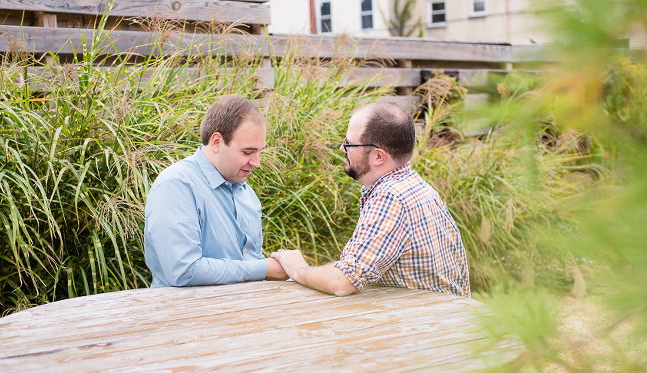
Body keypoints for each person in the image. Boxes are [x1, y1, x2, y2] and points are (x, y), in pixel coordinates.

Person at [272, 101, 470, 297]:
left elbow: (343, 281)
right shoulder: (415, 186)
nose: (342, 149)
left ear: (378, 157)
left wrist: (297, 269)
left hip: (426, 316)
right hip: (437, 311)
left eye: (349, 144)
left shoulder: (391, 197)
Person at [144, 95, 287, 287]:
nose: (257, 162)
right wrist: (264, 268)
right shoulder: (177, 185)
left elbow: (252, 262)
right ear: (217, 142)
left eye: (259, 151)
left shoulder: (247, 193)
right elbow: (184, 271)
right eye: (247, 152)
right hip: (186, 306)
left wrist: (289, 269)